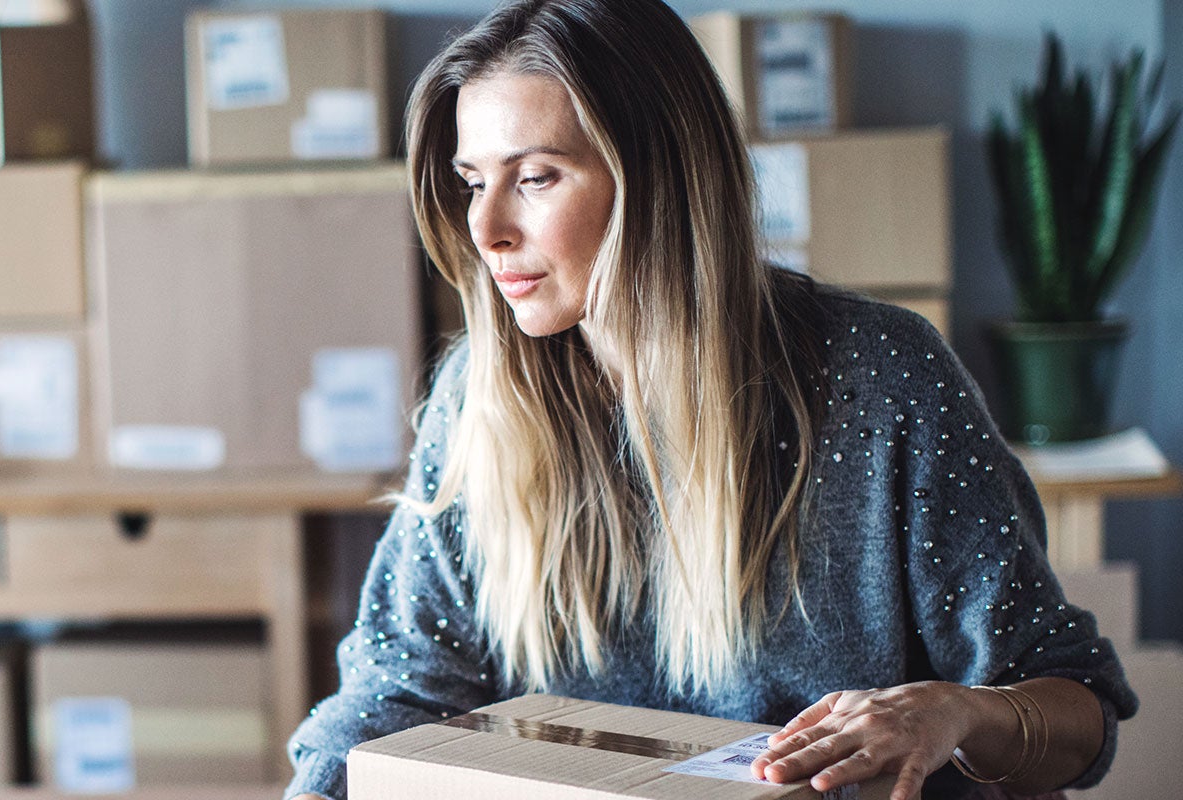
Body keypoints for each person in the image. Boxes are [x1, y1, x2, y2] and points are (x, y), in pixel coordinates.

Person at [283, 1, 1137, 799]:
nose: (486, 228)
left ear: (661, 179)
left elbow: (1079, 709)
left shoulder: (882, 377)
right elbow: (393, 695)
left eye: (536, 177)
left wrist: (956, 711)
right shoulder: (477, 397)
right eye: (473, 181)